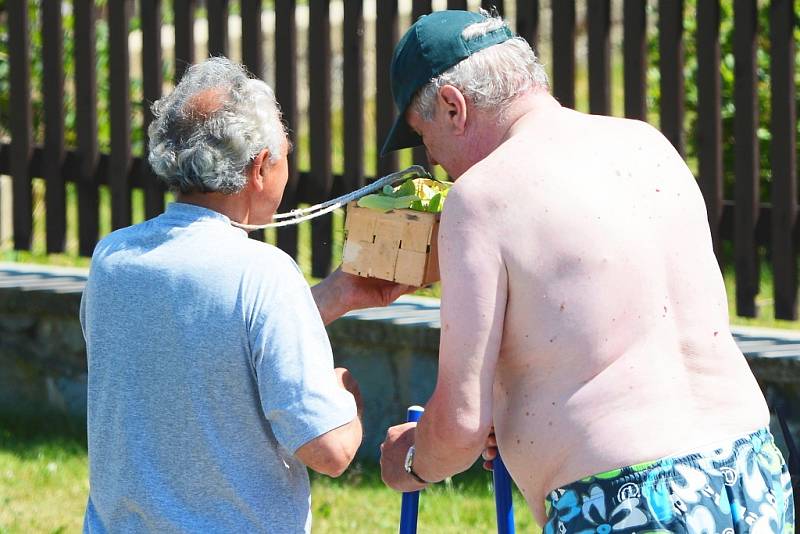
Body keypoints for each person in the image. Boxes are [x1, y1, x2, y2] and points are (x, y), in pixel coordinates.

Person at [378, 10, 795, 533]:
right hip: (752, 471)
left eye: (425, 137)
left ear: (452, 106)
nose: (434, 160)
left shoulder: (482, 198)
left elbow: (461, 426)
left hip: (631, 498)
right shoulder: (646, 144)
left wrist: (410, 460)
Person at [80, 57, 408, 533]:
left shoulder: (112, 258)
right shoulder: (263, 273)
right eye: (286, 151)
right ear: (260, 167)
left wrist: (337, 294)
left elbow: (204, 342)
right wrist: (346, 402)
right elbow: (330, 450)